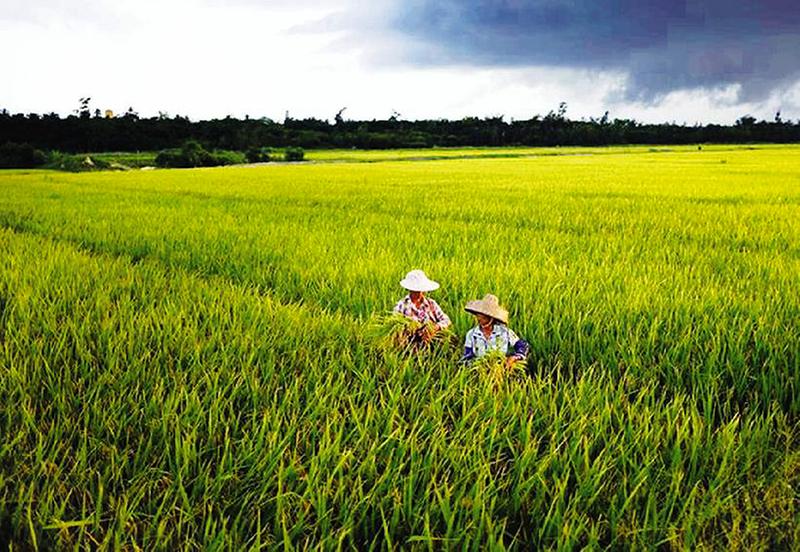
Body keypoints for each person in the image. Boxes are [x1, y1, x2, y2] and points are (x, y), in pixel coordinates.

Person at [461, 294, 529, 366]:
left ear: (491, 318)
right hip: (480, 371)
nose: (480, 320)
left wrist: (514, 357)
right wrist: (478, 365)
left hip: (501, 369)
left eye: (484, 318)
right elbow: (467, 356)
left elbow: (522, 345)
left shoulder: (505, 332)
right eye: (478, 316)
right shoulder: (472, 334)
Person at [393, 269, 452, 346]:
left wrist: (434, 328)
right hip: (410, 345)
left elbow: (446, 320)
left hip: (432, 343)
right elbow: (395, 327)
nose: (418, 293)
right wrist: (412, 330)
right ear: (409, 289)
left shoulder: (431, 304)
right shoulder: (402, 305)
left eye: (420, 290)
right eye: (414, 290)